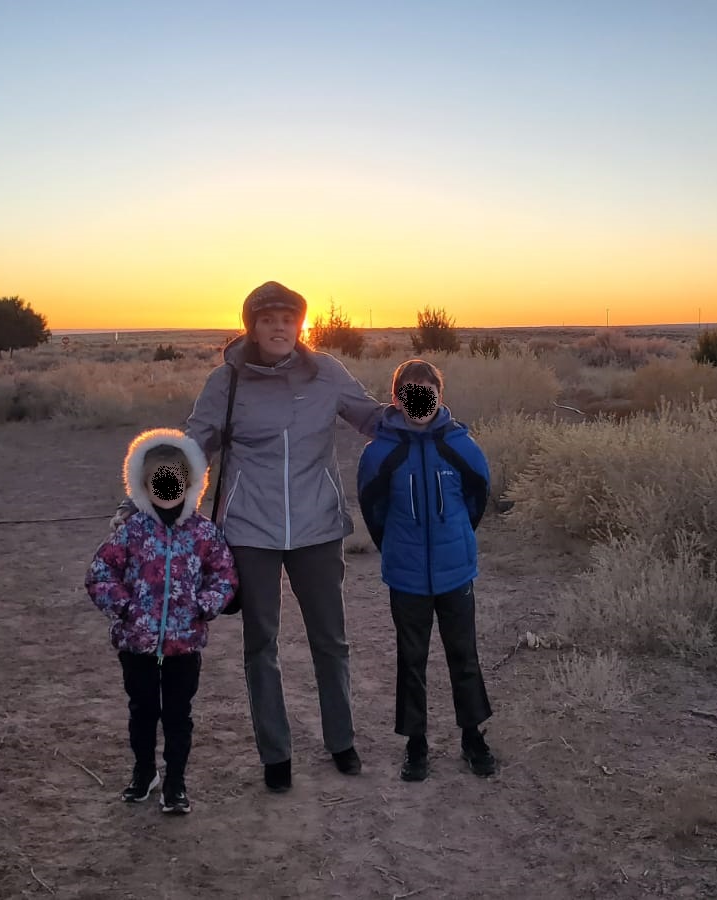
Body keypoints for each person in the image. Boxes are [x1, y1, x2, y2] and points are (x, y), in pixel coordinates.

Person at [111, 281, 388, 793]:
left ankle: (341, 740)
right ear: (252, 327)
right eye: (267, 319)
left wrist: (424, 420)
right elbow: (196, 444)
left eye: (288, 317)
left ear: (300, 324)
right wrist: (143, 498)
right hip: (250, 530)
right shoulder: (227, 380)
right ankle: (275, 753)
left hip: (318, 526)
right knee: (261, 644)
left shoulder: (327, 372)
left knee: (331, 640)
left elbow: (370, 416)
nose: (279, 326)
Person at [356, 358, 498, 781]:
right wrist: (398, 549)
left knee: (464, 657)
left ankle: (473, 738)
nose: (420, 398)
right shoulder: (381, 452)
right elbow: (373, 508)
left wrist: (456, 539)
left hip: (456, 574)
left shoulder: (459, 445)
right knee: (411, 660)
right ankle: (415, 745)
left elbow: (478, 495)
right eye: (410, 391)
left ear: (439, 395)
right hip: (407, 576)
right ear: (397, 398)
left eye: (428, 390)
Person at [87, 428, 238, 814]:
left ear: (189, 481)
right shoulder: (131, 531)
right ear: (142, 482)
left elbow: (224, 575)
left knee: (177, 715)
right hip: (136, 642)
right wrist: (124, 608)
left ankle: (176, 783)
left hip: (184, 644)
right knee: (142, 711)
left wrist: (205, 605)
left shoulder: (204, 533)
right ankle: (144, 773)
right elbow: (100, 573)